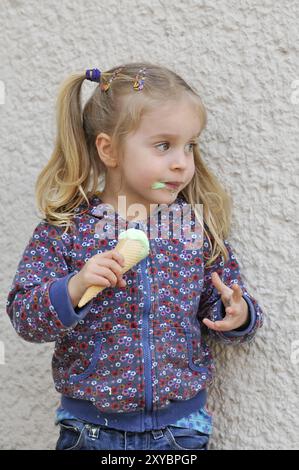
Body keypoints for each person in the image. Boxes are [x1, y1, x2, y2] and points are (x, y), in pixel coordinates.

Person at [6, 62, 264, 451]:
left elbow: (223, 301)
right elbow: (24, 316)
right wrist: (75, 286)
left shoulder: (194, 229)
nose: (182, 162)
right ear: (108, 149)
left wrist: (238, 312)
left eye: (189, 146)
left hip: (180, 430)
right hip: (89, 431)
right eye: (164, 145)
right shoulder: (67, 229)